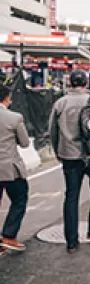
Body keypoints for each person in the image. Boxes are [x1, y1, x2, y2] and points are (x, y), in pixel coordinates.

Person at [49, 70, 90, 253]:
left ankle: (71, 241)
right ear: (86, 83)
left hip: (69, 155)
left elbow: (51, 130)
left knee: (71, 196)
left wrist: (58, 151)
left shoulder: (60, 103)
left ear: (70, 83)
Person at [0, 84, 30, 252]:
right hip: (10, 168)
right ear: (6, 98)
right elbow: (25, 143)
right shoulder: (14, 118)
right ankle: (9, 236)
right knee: (19, 199)